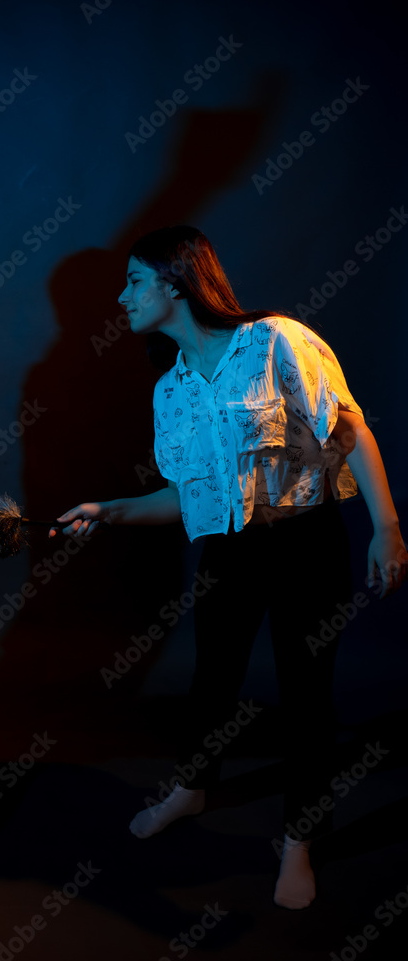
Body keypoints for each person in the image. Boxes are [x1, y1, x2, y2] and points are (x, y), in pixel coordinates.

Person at [53, 224, 406, 910]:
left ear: (175, 283)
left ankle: (298, 841)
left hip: (306, 543)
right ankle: (191, 789)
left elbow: (349, 429)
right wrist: (110, 510)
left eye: (132, 281)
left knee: (307, 692)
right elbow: (191, 494)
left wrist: (387, 529)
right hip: (231, 547)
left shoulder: (275, 342)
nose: (120, 297)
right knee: (211, 678)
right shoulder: (172, 392)